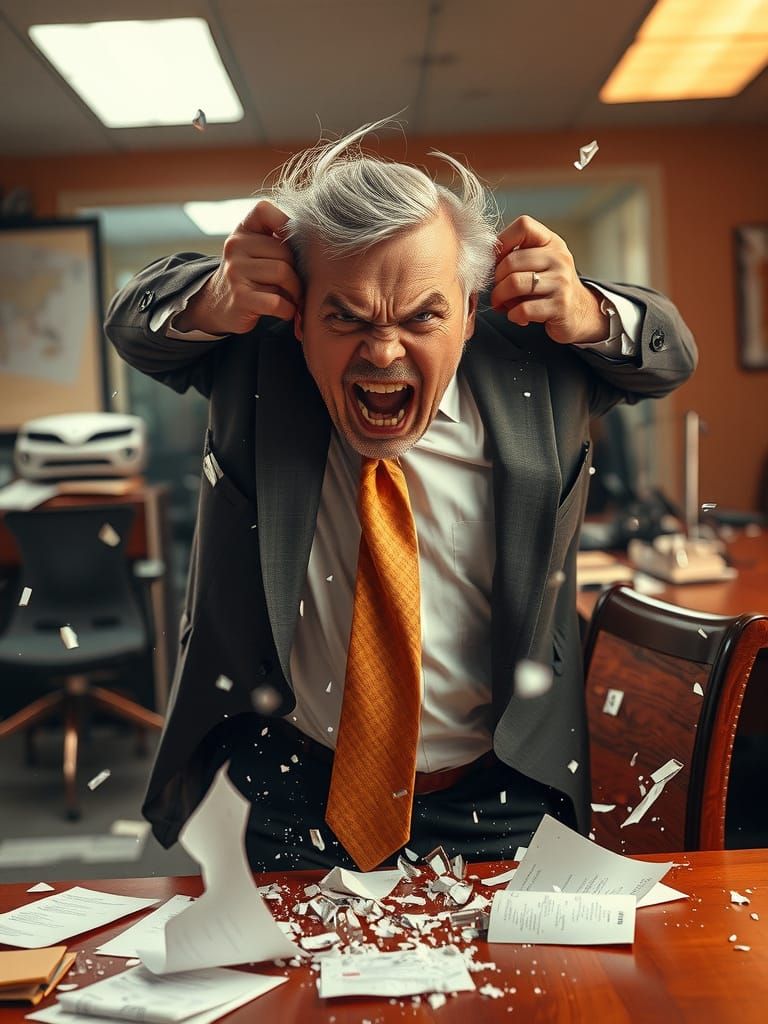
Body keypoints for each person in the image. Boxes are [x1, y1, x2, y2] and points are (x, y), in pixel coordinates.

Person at [105, 117, 697, 872]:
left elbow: (672, 353)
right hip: (283, 792)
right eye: (345, 317)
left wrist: (589, 309)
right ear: (298, 312)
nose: (382, 351)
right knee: (279, 994)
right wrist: (213, 296)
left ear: (472, 304)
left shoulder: (538, 369)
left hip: (500, 794)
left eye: (422, 316)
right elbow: (133, 323)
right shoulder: (256, 359)